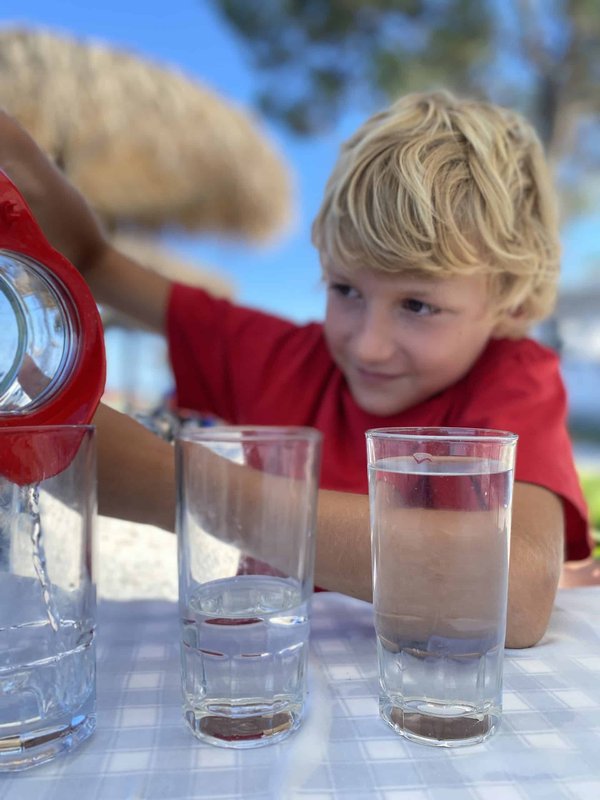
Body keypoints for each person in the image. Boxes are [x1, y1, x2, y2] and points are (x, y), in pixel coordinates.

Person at [0, 90, 591, 648]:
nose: (367, 346)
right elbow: (95, 261)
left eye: (417, 305)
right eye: (345, 289)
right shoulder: (282, 354)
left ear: (511, 302)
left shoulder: (513, 375)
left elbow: (516, 592)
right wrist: (25, 166)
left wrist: (178, 487)